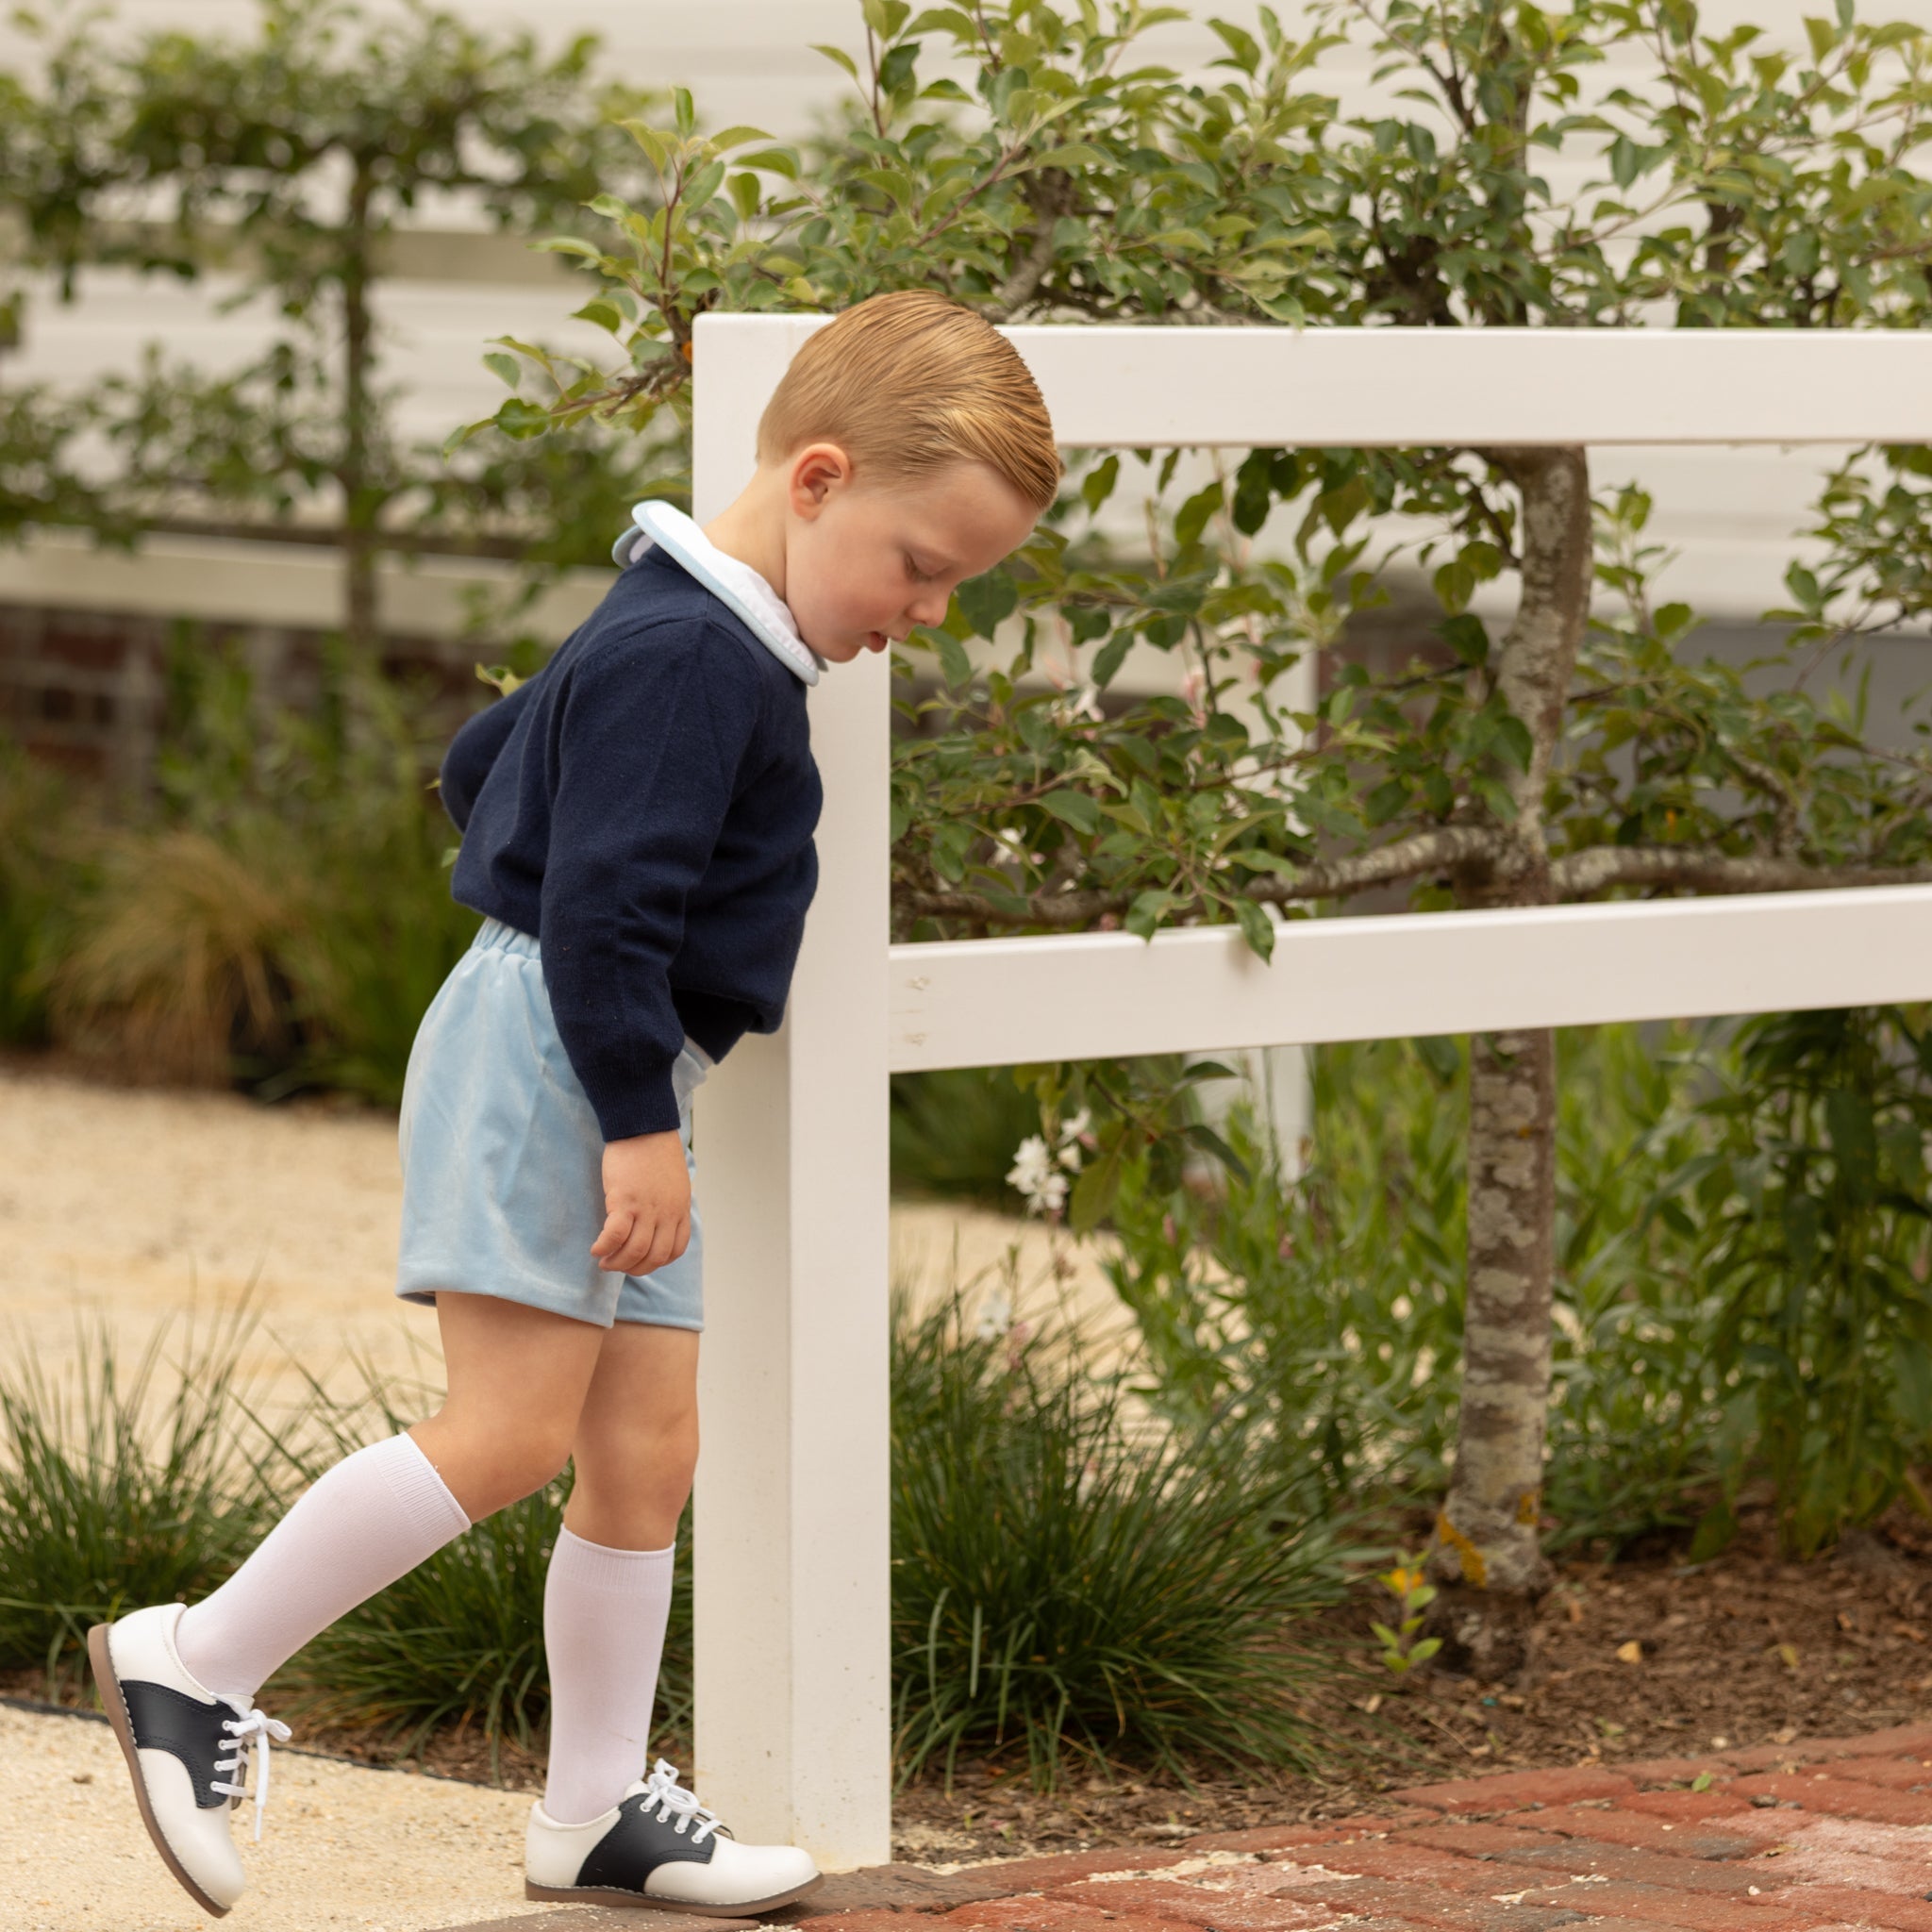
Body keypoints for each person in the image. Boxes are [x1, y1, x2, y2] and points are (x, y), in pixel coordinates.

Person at [87, 290, 1059, 1920]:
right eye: (923, 565)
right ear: (816, 479)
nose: (929, 612)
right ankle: (195, 1660)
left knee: (643, 1451)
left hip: (606, 1057)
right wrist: (633, 1116)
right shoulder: (696, 657)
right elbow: (605, 910)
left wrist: (603, 1002)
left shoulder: (678, 620)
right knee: (514, 1429)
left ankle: (596, 1807)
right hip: (572, 1054)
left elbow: (483, 762)